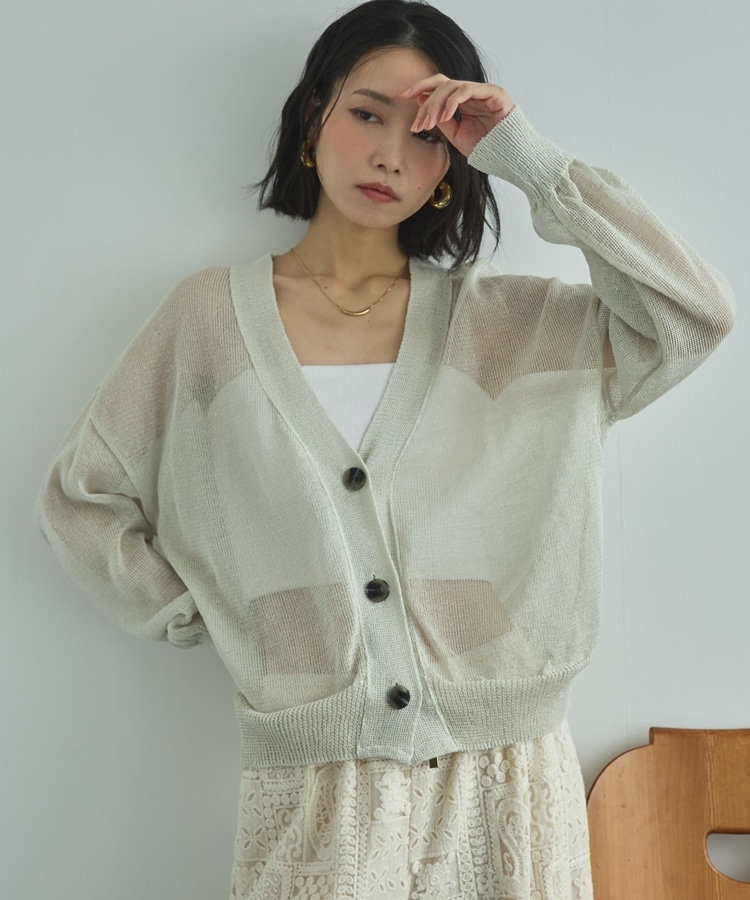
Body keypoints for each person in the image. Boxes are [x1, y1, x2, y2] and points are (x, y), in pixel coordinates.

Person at [36, 1, 734, 897]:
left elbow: (693, 315)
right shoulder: (208, 321)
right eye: (367, 114)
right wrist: (229, 619)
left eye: (427, 134)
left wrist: (525, 156)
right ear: (312, 117)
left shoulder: (513, 327)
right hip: (317, 789)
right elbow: (83, 499)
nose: (390, 156)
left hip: (509, 781)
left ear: (452, 163)